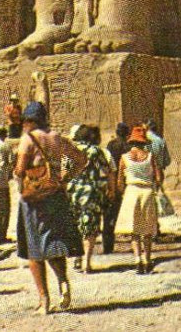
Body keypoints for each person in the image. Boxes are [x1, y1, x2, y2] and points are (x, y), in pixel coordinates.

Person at [14, 100, 86, 314]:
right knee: (54, 241)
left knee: (34, 247)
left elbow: (19, 170)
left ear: (28, 120)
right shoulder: (56, 138)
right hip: (55, 194)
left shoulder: (27, 140)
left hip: (34, 196)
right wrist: (65, 177)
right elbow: (81, 159)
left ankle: (44, 300)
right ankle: (63, 280)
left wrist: (19, 173)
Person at [115, 125, 162, 273]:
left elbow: (119, 181)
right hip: (147, 191)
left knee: (134, 230)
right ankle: (147, 259)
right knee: (147, 230)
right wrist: (155, 187)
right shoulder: (150, 157)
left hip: (131, 191)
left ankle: (137, 260)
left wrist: (123, 192)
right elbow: (159, 177)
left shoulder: (124, 158)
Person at [66, 125, 113, 273]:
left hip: (73, 193)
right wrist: (111, 189)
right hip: (91, 192)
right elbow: (107, 170)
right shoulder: (95, 151)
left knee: (76, 226)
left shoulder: (69, 151)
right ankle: (86, 262)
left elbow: (63, 173)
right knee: (90, 227)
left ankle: (77, 258)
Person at [102, 122, 130, 255]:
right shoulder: (127, 146)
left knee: (109, 216)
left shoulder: (111, 145)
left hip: (111, 181)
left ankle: (107, 244)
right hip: (123, 181)